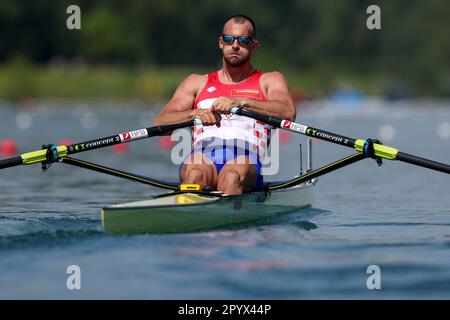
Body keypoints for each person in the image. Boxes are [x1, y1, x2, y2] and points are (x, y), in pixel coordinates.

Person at [153, 15, 295, 195]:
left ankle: (227, 217)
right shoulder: (196, 82)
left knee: (231, 177)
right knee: (194, 174)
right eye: (229, 39)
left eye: (243, 40)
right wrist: (194, 114)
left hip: (245, 158)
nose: (235, 45)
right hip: (203, 156)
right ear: (221, 42)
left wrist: (241, 102)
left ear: (254, 45)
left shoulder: (269, 80)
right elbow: (160, 123)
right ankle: (190, 210)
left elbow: (288, 112)